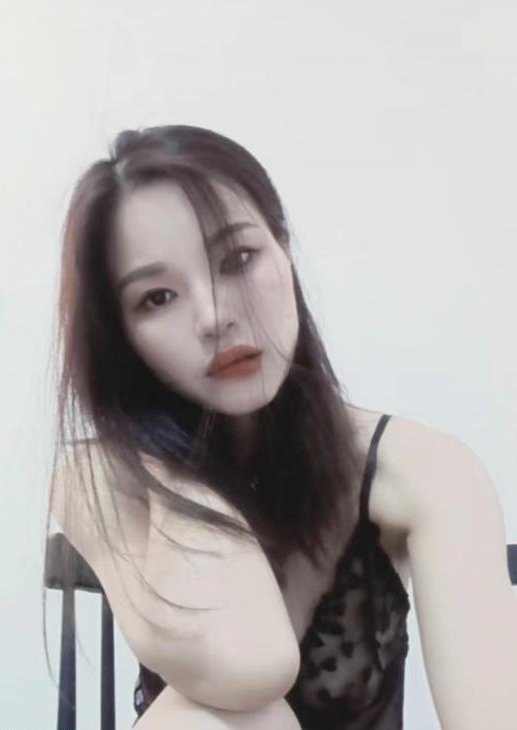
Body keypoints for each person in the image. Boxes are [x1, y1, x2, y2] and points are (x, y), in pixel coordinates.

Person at [46, 125, 516, 730]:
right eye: (157, 298)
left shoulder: (424, 471)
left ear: (284, 249)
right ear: (123, 339)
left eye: (238, 259)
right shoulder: (102, 477)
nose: (214, 316)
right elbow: (250, 657)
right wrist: (167, 466)